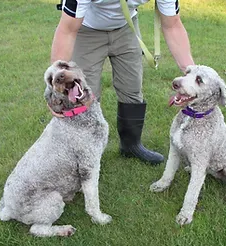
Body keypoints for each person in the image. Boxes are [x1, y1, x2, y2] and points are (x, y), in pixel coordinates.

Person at [49, 0, 194, 165]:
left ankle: (131, 146)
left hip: (126, 26)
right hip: (85, 29)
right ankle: (80, 158)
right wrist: (55, 87)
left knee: (131, 87)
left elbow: (172, 25)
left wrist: (192, 74)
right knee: (82, 96)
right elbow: (67, 30)